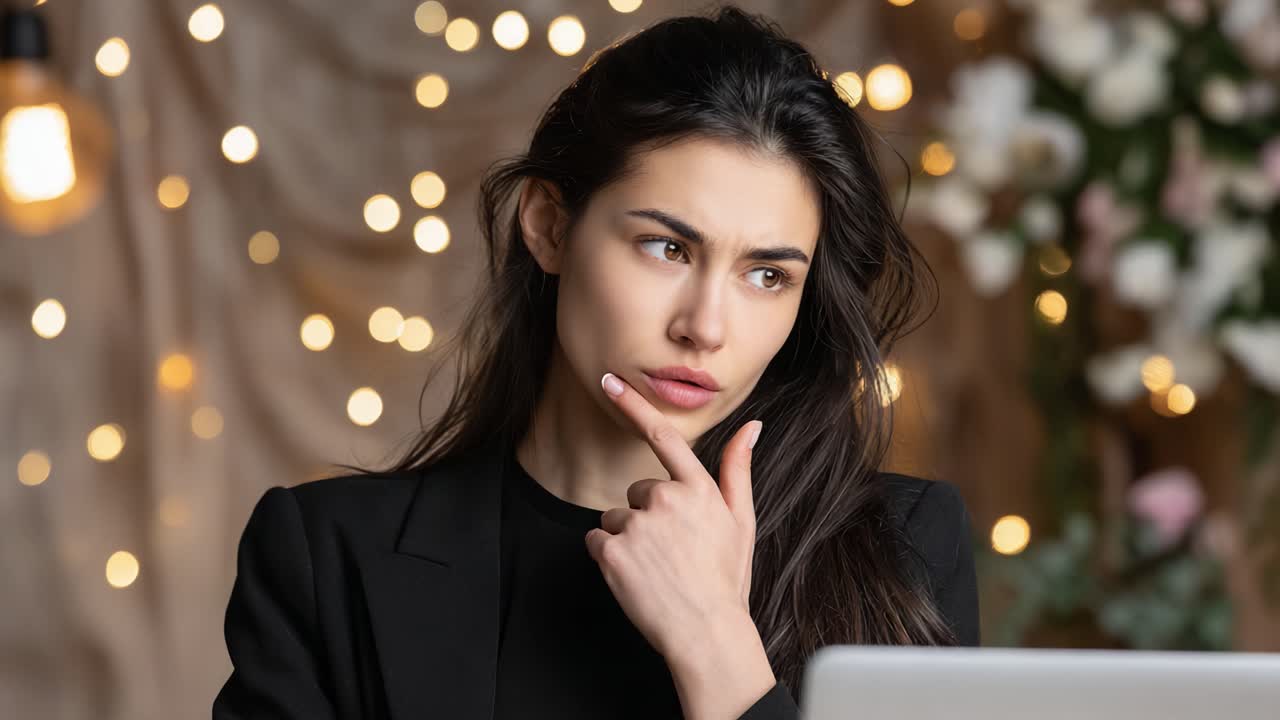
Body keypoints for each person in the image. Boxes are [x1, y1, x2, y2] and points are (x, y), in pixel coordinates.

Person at [212, 5, 979, 719]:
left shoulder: (903, 546)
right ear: (548, 225)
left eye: (766, 274)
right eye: (666, 247)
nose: (705, 327)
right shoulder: (328, 557)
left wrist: (717, 648)